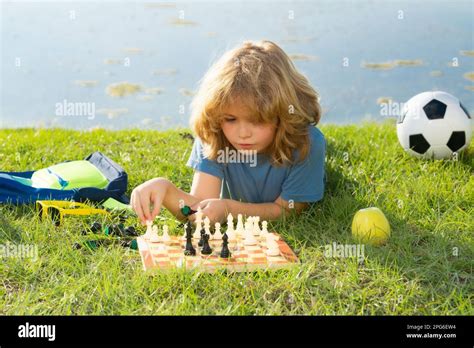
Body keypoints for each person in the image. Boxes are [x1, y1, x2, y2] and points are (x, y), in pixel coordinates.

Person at [131, 40, 326, 225]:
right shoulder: (215, 135)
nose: (243, 133)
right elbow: (200, 209)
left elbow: (287, 211)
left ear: (282, 115)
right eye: (231, 119)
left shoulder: (306, 144)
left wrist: (229, 209)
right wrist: (165, 190)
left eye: (257, 120)